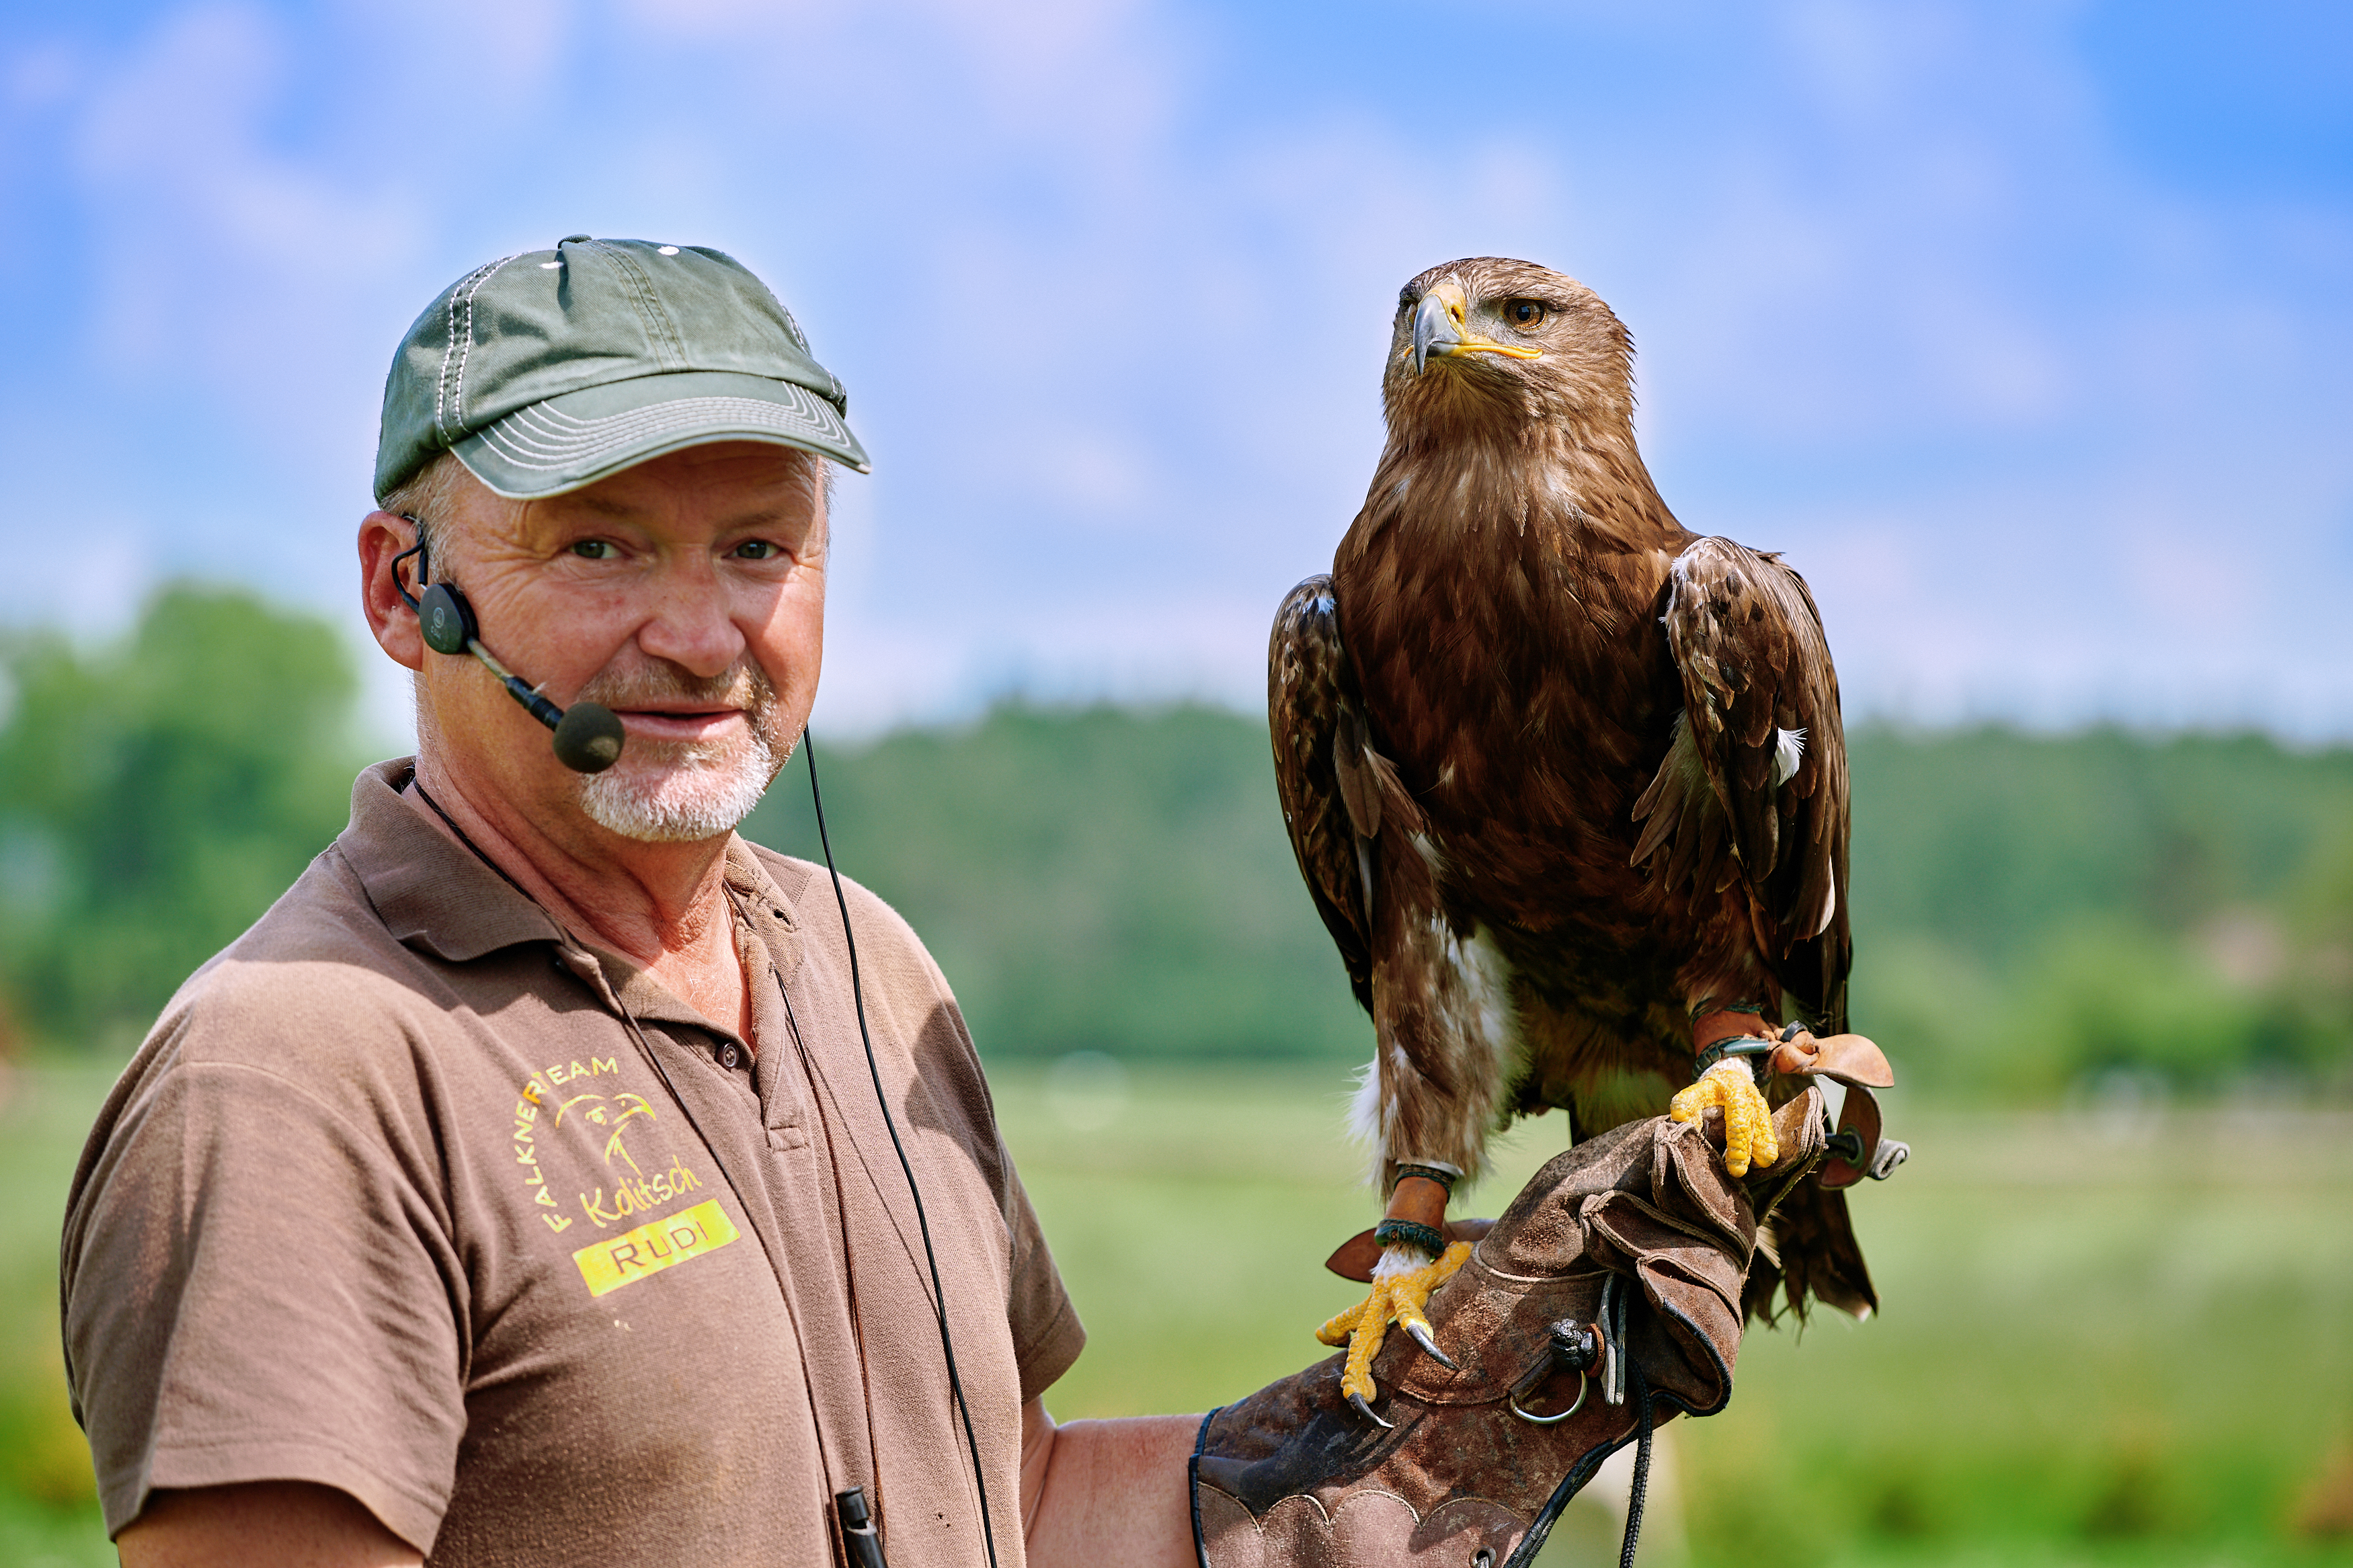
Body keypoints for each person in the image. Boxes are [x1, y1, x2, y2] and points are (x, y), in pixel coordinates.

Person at [60, 236, 1201, 1567]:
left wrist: (1380, 1461)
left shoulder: (868, 963)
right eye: (601, 546)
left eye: (756, 547)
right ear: (401, 587)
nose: (702, 638)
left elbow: (1022, 1507)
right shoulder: (290, 1079)